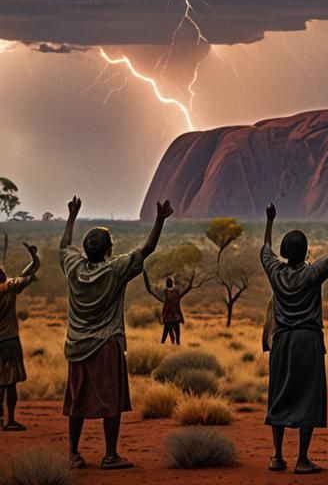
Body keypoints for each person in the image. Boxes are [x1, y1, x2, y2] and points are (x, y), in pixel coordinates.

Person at [60, 195, 172, 470]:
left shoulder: (73, 268)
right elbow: (147, 249)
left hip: (76, 344)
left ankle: (73, 453)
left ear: (86, 250)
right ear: (109, 250)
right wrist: (159, 220)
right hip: (106, 343)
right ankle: (110, 455)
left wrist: (72, 216)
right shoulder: (114, 270)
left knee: (77, 400)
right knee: (110, 399)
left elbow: (64, 246)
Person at [262, 196, 328, 474]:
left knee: (279, 393)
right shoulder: (313, 273)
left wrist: (269, 221)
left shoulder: (275, 272)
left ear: (285, 252)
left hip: (282, 341)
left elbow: (264, 249)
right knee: (308, 396)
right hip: (308, 341)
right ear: (305, 251)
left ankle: (277, 456)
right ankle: (302, 460)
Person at [0, 242, 41, 432]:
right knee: (11, 384)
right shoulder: (9, 287)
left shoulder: (8, 286)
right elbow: (26, 276)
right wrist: (34, 259)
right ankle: (10, 421)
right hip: (9, 342)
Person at [142, 269, 197, 346]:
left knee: (164, 336)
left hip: (168, 317)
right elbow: (178, 304)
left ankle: (163, 346)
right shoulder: (176, 293)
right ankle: (176, 346)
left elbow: (152, 290)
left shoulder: (164, 293)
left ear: (166, 284)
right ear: (172, 283)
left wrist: (145, 276)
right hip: (176, 317)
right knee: (177, 336)